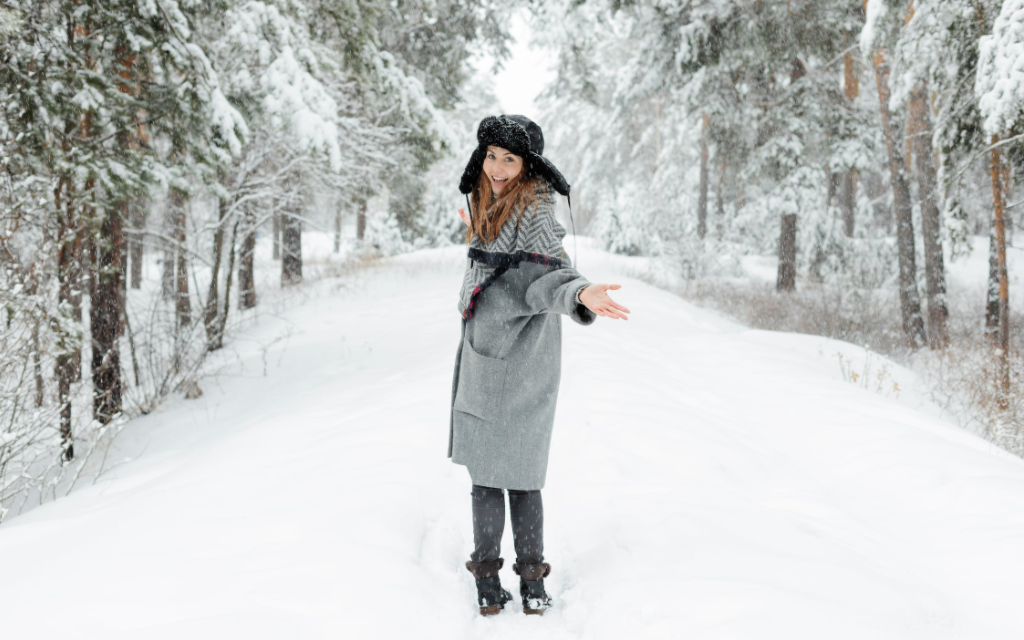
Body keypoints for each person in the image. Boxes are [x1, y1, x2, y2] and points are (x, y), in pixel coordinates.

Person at [448, 114, 630, 616]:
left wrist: (581, 293)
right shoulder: (489, 204)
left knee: (520, 476)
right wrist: (478, 231)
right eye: (491, 156)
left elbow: (553, 275)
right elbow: (498, 260)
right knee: (489, 476)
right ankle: (496, 583)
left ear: (528, 166)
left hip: (524, 360)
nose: (499, 167)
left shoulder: (534, 211)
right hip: (488, 356)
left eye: (510, 159)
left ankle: (527, 581)